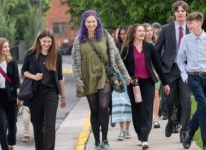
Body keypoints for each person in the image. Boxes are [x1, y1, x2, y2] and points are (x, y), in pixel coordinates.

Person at [72, 10, 131, 150]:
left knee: (104, 106)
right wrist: (78, 82)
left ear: (97, 21)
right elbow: (75, 62)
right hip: (88, 78)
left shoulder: (105, 35)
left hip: (104, 76)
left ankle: (105, 140)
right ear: (84, 23)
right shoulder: (79, 39)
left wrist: (126, 76)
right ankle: (97, 142)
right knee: (94, 110)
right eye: (88, 22)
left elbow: (116, 58)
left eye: (93, 21)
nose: (91, 24)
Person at [121, 24, 170, 149]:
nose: (143, 33)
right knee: (136, 110)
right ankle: (140, 134)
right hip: (134, 84)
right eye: (140, 31)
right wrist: (127, 78)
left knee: (147, 110)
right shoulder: (127, 48)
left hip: (148, 82)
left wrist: (165, 83)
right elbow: (122, 66)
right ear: (133, 33)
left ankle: (145, 138)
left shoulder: (149, 47)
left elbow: (158, 66)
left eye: (144, 31)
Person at [21, 30, 66, 150]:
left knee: (50, 125)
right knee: (37, 125)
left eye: (49, 41)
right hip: (35, 94)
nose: (47, 44)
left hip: (51, 93)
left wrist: (63, 96)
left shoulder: (57, 55)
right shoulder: (31, 54)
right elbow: (23, 71)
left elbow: (60, 77)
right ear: (39, 41)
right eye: (44, 41)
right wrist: (34, 76)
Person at [155, 0, 191, 143]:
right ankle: (171, 121)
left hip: (186, 71)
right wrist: (158, 70)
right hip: (169, 70)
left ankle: (185, 130)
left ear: (186, 12)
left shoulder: (191, 28)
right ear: (174, 13)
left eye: (183, 11)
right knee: (169, 101)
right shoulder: (166, 29)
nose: (180, 13)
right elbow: (156, 51)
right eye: (178, 11)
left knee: (186, 101)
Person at [177, 11, 206, 150]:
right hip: (193, 77)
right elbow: (180, 60)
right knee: (203, 104)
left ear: (199, 23)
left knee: (203, 107)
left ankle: (190, 133)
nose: (188, 25)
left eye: (191, 23)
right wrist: (185, 76)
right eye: (188, 23)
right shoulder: (185, 40)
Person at [0, 38, 21, 150]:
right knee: (1, 125)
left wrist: (19, 96)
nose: (7, 48)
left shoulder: (12, 63)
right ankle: (5, 147)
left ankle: (10, 142)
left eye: (8, 46)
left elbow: (17, 81)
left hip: (11, 96)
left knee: (12, 125)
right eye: (4, 47)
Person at [112, 26, 132, 140]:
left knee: (128, 103)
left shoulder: (131, 46)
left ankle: (127, 129)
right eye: (121, 34)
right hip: (118, 79)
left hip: (129, 78)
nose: (123, 36)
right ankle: (121, 130)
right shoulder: (115, 46)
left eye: (125, 34)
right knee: (119, 104)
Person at [144, 23, 161, 129]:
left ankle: (155, 119)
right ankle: (148, 117)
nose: (150, 32)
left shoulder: (157, 43)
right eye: (147, 30)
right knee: (147, 97)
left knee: (155, 94)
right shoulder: (140, 44)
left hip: (156, 73)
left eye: (151, 30)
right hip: (145, 74)